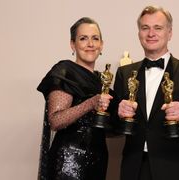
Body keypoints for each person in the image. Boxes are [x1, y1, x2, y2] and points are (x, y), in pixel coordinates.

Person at [114, 5, 179, 180]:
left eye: (158, 28)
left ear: (169, 33)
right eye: (145, 28)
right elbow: (115, 128)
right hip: (133, 168)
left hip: (174, 168)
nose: (151, 33)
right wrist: (119, 114)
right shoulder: (124, 73)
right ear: (138, 33)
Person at [37, 17, 117, 180]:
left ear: (102, 45)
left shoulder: (103, 81)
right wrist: (91, 103)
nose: (90, 44)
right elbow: (56, 120)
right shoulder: (65, 72)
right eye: (83, 38)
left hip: (98, 159)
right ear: (72, 44)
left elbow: (108, 130)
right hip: (69, 161)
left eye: (95, 38)